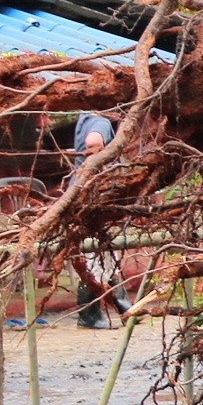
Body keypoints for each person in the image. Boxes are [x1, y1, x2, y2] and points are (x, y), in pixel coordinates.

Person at [69, 116, 116, 327]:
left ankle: (121, 304)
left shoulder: (85, 118)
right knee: (94, 255)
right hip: (91, 197)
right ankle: (89, 315)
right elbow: (93, 142)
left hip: (85, 195)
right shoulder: (100, 121)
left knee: (104, 253)